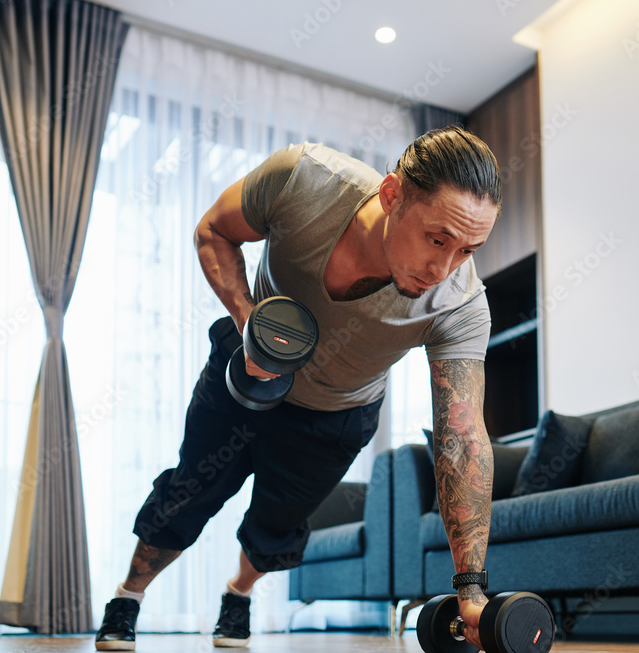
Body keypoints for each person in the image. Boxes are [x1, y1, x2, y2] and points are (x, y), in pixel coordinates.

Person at [95, 125, 501, 650]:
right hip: (245, 373)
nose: (443, 268)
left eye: (468, 250)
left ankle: (237, 595)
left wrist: (471, 587)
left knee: (276, 525)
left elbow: (462, 438)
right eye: (437, 238)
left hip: (335, 417)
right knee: (189, 491)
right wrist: (249, 325)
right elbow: (214, 231)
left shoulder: (462, 306)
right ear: (392, 194)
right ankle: (129, 595)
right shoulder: (303, 179)